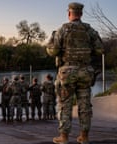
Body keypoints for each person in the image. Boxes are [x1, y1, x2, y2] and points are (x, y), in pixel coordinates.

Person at [46, 2, 104, 144]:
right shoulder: (89, 30)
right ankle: (84, 137)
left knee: (65, 105)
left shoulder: (63, 30)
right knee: (84, 105)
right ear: (81, 14)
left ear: (69, 13)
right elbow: (100, 50)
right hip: (85, 73)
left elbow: (53, 51)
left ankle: (64, 137)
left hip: (67, 74)